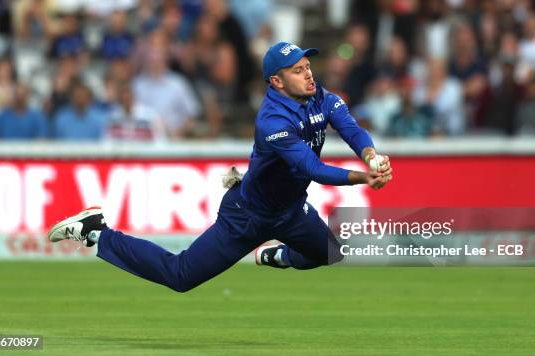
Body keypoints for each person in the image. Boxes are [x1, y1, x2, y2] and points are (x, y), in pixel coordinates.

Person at [46, 42, 393, 293]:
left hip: (290, 212)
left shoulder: (322, 98)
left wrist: (370, 155)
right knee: (180, 276)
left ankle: (278, 256)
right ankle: (96, 232)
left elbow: (351, 128)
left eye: (307, 66)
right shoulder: (272, 121)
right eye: (298, 70)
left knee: (330, 253)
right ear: (277, 81)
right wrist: (365, 178)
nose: (308, 75)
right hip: (248, 215)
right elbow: (312, 168)